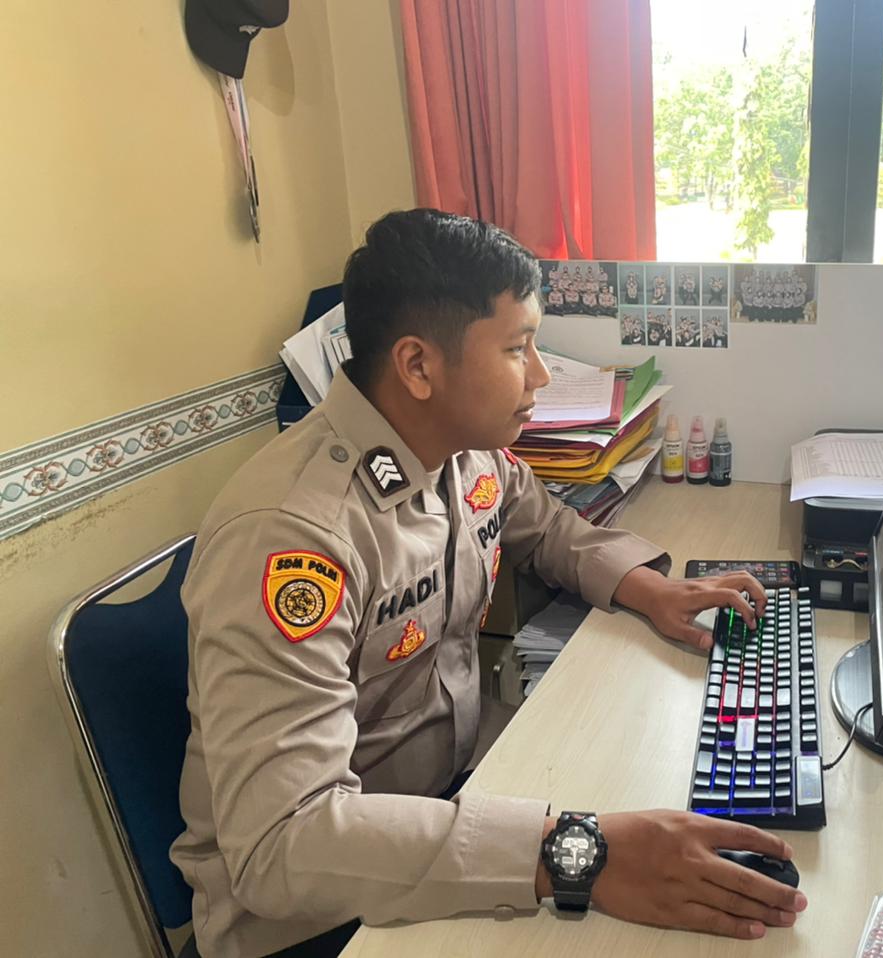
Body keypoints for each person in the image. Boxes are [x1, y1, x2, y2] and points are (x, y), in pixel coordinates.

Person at [171, 210, 803, 958]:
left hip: (440, 805)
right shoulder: (294, 537)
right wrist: (574, 852)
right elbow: (283, 848)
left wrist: (647, 587)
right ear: (418, 366)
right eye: (516, 348)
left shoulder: (462, 452)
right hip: (316, 912)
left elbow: (547, 528)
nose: (540, 375)